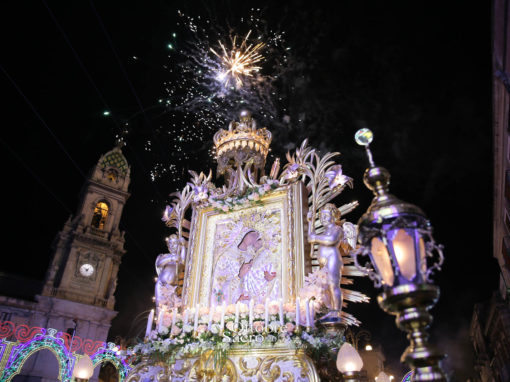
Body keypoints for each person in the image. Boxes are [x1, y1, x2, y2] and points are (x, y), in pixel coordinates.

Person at [307, 203, 344, 319]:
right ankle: (328, 309)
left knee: (333, 285)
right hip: (323, 262)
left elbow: (330, 240)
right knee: (325, 288)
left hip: (332, 258)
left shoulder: (337, 229)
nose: (322, 219)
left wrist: (315, 238)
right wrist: (310, 222)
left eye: (326, 215)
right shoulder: (323, 232)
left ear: (333, 216)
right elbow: (310, 238)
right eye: (321, 216)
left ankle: (336, 311)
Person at [238, 230, 279, 303]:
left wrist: (273, 277)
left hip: (265, 291)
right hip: (251, 291)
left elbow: (275, 271)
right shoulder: (249, 257)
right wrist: (242, 274)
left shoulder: (268, 255)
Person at [155, 234, 186, 310]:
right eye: (170, 244)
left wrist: (183, 246)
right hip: (161, 285)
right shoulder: (164, 256)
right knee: (160, 307)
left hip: (172, 287)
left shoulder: (179, 259)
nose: (172, 246)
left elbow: (183, 262)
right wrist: (171, 258)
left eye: (175, 243)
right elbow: (159, 263)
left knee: (171, 308)